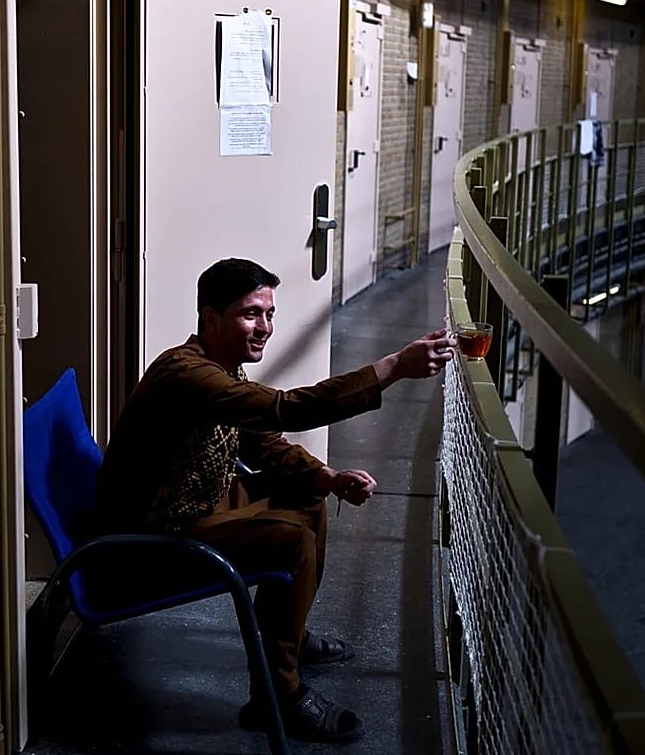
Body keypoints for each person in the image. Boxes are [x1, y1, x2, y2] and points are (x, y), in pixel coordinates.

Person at [95, 257, 457, 743]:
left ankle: (292, 636)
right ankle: (278, 697)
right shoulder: (186, 375)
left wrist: (327, 477)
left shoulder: (221, 368)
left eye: (269, 313)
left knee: (307, 495)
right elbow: (286, 409)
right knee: (289, 541)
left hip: (196, 506)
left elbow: (262, 440)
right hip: (153, 540)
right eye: (251, 314)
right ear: (210, 319)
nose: (264, 327)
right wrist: (391, 367)